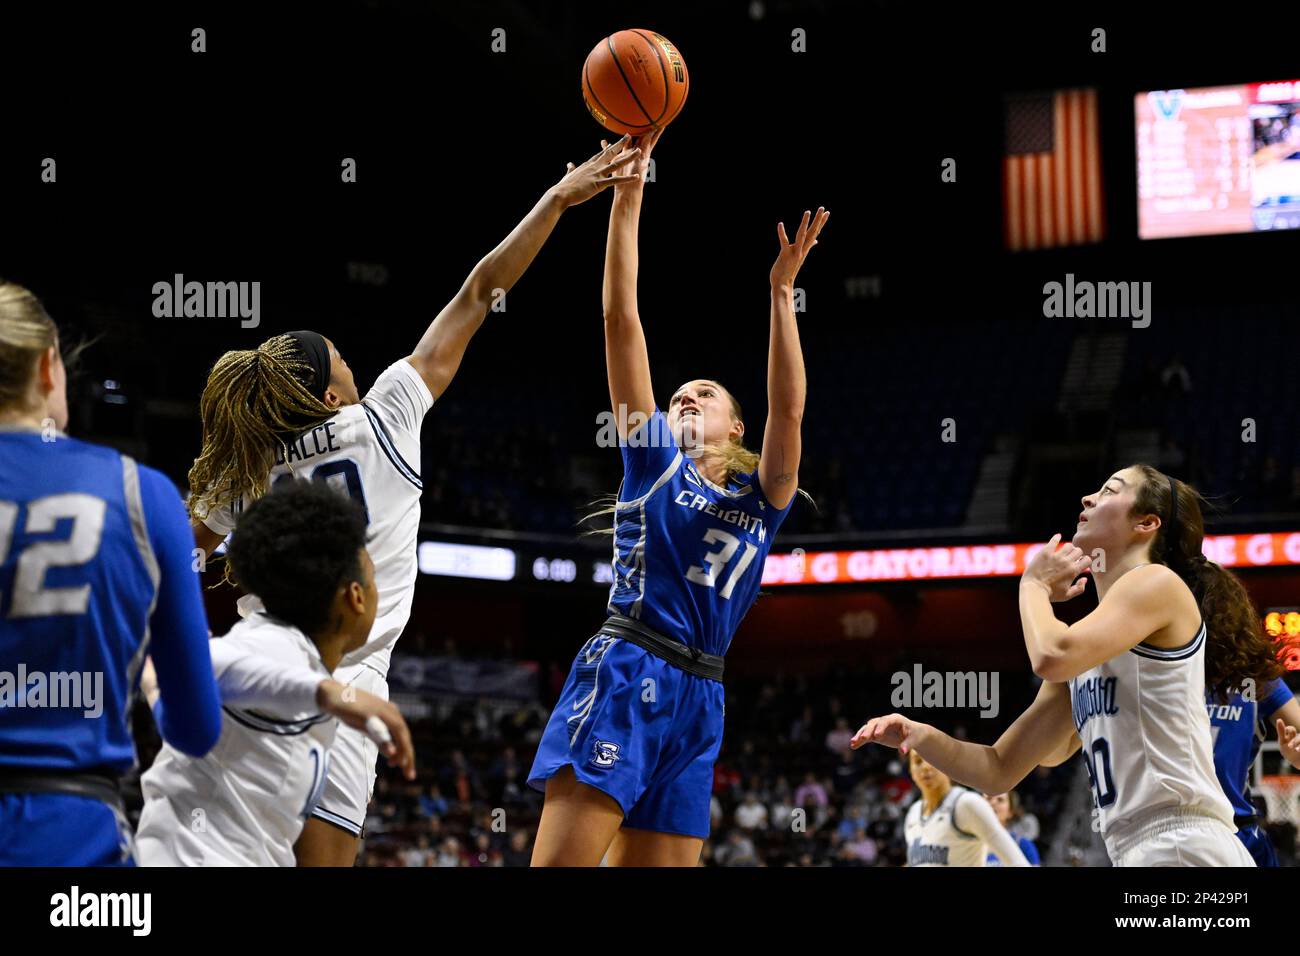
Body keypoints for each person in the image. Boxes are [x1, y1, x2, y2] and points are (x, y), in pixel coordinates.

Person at [185, 139, 641, 866]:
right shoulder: (383, 418)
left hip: (258, 673)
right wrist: (558, 199)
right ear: (329, 394)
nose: (353, 360)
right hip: (350, 682)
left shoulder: (250, 464)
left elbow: (178, 557)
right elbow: (478, 291)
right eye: (340, 356)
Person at [527, 125, 829, 866]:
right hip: (630, 668)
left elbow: (789, 410)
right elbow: (619, 321)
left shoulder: (767, 496)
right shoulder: (653, 459)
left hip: (703, 697)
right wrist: (629, 196)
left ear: (736, 424)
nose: (685, 399)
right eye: (678, 396)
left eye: (704, 394)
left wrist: (782, 294)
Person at [854, 465, 1285, 867]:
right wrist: (919, 734)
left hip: (1186, 843)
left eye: (1109, 491)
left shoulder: (1156, 583)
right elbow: (998, 768)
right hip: (1144, 849)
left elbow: (1050, 656)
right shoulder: (1088, 645)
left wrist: (1033, 585)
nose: (1088, 498)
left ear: (1147, 523)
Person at [0, 281, 222, 866]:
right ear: (49, 368)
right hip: (71, 838)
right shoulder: (143, 495)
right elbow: (196, 728)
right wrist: (149, 684)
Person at [135, 481, 415, 866]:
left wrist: (153, 684)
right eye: (372, 580)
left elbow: (188, 691)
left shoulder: (293, 655)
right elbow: (209, 665)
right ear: (355, 597)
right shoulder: (276, 645)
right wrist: (330, 693)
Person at [1208, 677, 1300, 866]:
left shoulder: (1256, 673)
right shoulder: (1166, 664)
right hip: (1171, 819)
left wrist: (1296, 756)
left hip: (1237, 824)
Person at [900, 750, 1028, 867]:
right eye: (918, 761)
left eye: (932, 759)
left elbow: (1017, 862)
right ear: (911, 771)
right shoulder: (913, 813)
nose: (926, 767)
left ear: (948, 765)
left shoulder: (966, 803)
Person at [984, 790, 1040, 865]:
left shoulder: (1023, 845)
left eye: (1000, 800)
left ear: (1010, 811)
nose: (993, 803)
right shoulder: (967, 840)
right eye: (989, 799)